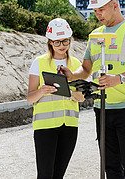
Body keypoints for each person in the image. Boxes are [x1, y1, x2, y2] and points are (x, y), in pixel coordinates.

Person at [60, 0, 125, 178]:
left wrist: (118, 79)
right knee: (110, 168)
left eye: (101, 9)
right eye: (95, 10)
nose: (97, 14)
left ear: (115, 5)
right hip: (102, 108)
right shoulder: (95, 35)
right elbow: (85, 69)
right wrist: (71, 75)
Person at [27, 18, 84, 179]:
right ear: (50, 42)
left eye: (65, 41)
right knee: (45, 175)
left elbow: (81, 98)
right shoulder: (39, 63)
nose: (62, 46)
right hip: (45, 128)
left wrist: (71, 94)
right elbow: (30, 98)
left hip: (69, 127)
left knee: (59, 175)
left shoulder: (76, 64)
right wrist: (42, 91)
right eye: (57, 42)